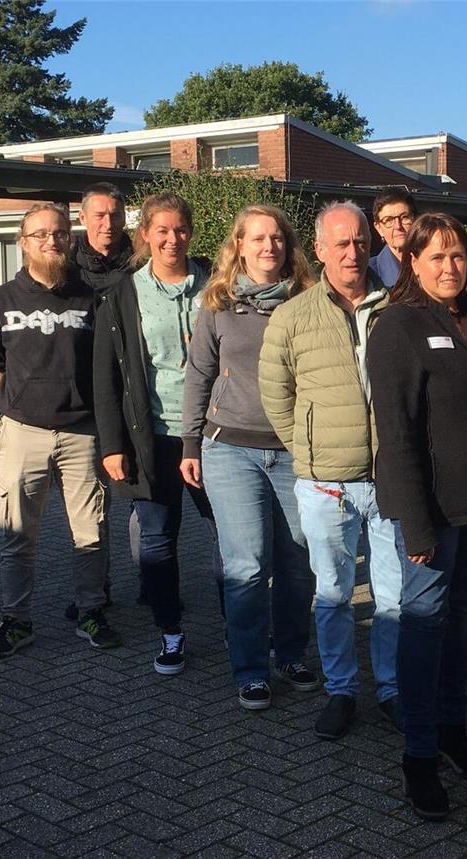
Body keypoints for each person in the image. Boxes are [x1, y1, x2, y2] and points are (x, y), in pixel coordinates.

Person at [369, 213, 467, 821]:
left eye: (458, 256)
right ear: (412, 262)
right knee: (425, 623)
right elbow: (396, 433)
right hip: (432, 510)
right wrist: (415, 524)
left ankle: (454, 732)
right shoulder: (398, 325)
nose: (450, 267)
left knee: (459, 622)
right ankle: (419, 756)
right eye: (436, 257)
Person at [260, 201, 402, 740]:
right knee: (334, 595)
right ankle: (341, 690)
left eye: (360, 241)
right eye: (340, 243)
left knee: (394, 598)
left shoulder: (398, 307)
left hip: (390, 480)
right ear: (319, 250)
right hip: (326, 484)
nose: (352, 252)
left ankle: (391, 689)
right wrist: (310, 448)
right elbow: (277, 395)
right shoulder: (292, 316)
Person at [180, 205, 318, 711]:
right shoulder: (216, 302)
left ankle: (291, 654)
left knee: (299, 564)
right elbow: (199, 374)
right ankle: (251, 669)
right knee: (247, 566)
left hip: (294, 453)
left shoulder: (309, 300)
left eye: (276, 237)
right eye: (257, 238)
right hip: (230, 450)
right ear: (239, 245)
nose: (268, 246)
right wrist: (190, 444)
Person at [93, 192, 221, 676]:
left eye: (180, 229)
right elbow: (106, 377)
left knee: (230, 536)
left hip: (213, 434)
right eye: (161, 230)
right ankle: (170, 631)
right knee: (157, 540)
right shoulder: (122, 295)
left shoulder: (216, 284)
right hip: (152, 435)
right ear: (145, 233)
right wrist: (112, 445)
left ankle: (240, 624)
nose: (172, 239)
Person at [0, 203, 121, 658]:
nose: (51, 241)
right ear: (23, 243)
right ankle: (16, 621)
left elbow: (107, 368)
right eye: (41, 234)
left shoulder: (89, 297)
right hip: (21, 430)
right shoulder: (3, 299)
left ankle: (90, 611)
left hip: (82, 432)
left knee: (91, 530)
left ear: (70, 239)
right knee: (16, 535)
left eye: (60, 233)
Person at [64, 181, 133, 622]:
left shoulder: (140, 263)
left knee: (147, 502)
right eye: (100, 215)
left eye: (115, 215)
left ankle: (155, 581)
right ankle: (97, 589)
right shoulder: (67, 270)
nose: (108, 223)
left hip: (137, 393)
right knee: (95, 506)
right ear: (83, 218)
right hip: (88, 400)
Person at [368, 188, 417, 288]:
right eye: (389, 220)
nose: (398, 226)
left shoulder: (433, 265)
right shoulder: (369, 274)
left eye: (404, 217)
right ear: (379, 228)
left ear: (416, 220)